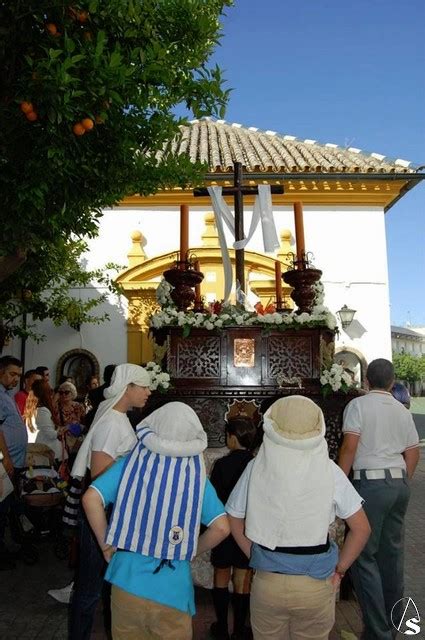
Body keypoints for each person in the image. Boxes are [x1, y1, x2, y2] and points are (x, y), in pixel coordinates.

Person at [226, 395, 371, 640]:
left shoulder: (256, 467)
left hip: (268, 583)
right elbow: (362, 529)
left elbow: (233, 516)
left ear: (271, 423)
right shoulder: (330, 470)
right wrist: (340, 569)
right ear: (318, 426)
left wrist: (254, 554)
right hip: (314, 584)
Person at [82, 401, 230, 639]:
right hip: (173, 587)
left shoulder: (129, 465)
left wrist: (105, 542)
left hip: (127, 580)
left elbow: (91, 499)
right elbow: (222, 527)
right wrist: (190, 549)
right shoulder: (196, 477)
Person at [64, 364, 152, 639]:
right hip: (102, 513)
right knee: (89, 588)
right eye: (144, 386)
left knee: (102, 584)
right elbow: (101, 477)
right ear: (128, 388)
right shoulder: (113, 422)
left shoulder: (119, 417)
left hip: (110, 512)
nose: (149, 392)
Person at [339, 358, 420, 640]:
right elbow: (413, 453)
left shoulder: (358, 406)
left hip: (370, 485)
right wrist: (399, 481)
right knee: (392, 557)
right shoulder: (402, 410)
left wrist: (338, 485)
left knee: (363, 557)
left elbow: (349, 447)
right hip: (398, 484)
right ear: (393, 381)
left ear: (366, 381)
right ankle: (393, 627)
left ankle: (377, 632)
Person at [209, 417, 257, 640]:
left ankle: (221, 628)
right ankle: (239, 629)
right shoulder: (256, 464)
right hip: (246, 529)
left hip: (224, 526)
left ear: (233, 438)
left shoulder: (221, 465)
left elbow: (214, 498)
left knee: (220, 574)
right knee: (242, 579)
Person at [0, 356, 28, 570]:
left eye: (18, 375)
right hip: (4, 464)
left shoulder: (6, 394)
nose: (15, 379)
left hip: (13, 463)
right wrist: (7, 459)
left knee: (6, 508)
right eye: (12, 374)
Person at [31, 379, 64, 461]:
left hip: (49, 449)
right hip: (48, 451)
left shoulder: (43, 409)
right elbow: (51, 434)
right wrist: (63, 430)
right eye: (50, 391)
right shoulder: (42, 411)